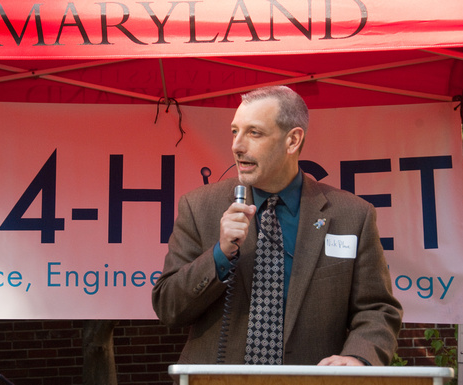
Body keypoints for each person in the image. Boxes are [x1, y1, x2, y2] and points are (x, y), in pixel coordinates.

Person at [151, 85, 403, 367]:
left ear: (293, 140)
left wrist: (359, 357)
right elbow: (168, 307)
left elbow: (377, 309)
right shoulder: (199, 207)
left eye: (254, 132)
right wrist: (219, 255)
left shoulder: (352, 215)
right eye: (235, 131)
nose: (237, 145)